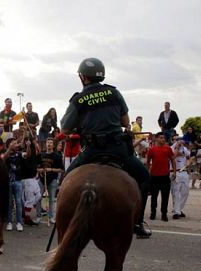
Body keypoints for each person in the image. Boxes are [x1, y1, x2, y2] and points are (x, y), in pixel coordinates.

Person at [60, 57, 151, 238]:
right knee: (144, 177)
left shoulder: (78, 100)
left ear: (83, 77)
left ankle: (62, 221)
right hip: (117, 149)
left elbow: (64, 128)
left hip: (92, 150)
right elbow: (125, 122)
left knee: (66, 181)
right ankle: (138, 222)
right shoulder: (114, 93)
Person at [146, 133, 176, 221]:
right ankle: (153, 212)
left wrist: (174, 172)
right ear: (156, 139)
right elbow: (148, 161)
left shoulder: (168, 148)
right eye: (161, 138)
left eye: (164, 138)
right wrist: (147, 172)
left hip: (165, 177)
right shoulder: (152, 149)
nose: (163, 139)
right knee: (154, 196)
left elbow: (173, 160)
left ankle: (164, 214)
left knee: (165, 197)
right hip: (154, 176)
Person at [38, 138, 64, 223]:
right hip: (42, 179)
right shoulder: (41, 155)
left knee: (52, 199)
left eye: (51, 143)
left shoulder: (57, 156)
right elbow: (37, 168)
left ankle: (51, 217)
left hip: (52, 180)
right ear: (45, 144)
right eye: (47, 142)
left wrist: (50, 169)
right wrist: (40, 170)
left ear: (53, 145)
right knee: (38, 198)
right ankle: (38, 217)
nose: (49, 144)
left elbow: (61, 170)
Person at [170, 138, 190, 219]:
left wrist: (188, 163)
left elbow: (188, 157)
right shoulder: (171, 148)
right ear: (173, 141)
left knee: (185, 192)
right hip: (175, 172)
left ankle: (179, 209)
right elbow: (173, 156)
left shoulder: (185, 149)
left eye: (180, 140)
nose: (180, 141)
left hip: (184, 171)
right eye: (177, 140)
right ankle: (176, 212)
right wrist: (177, 148)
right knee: (176, 193)